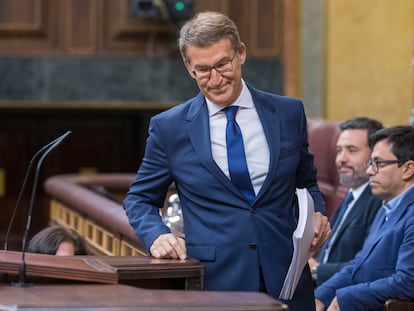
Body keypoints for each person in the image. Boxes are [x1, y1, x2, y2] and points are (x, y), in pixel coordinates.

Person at [123, 11, 330, 311]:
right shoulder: (169, 128)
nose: (216, 79)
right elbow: (140, 198)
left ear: (241, 53)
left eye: (223, 64)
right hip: (215, 284)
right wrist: (156, 235)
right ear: (188, 68)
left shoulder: (288, 113)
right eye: (203, 70)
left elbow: (306, 183)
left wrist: (318, 213)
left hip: (288, 279)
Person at [315, 125, 414, 311]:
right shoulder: (386, 206)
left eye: (378, 163)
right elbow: (358, 265)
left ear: (408, 169)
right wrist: (322, 295)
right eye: (370, 163)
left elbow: (409, 282)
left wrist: (344, 299)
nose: (370, 171)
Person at [309, 117, 383, 287]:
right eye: (339, 150)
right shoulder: (352, 193)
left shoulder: (379, 200)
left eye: (351, 150)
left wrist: (316, 270)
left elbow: (370, 265)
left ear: (375, 155)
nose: (341, 159)